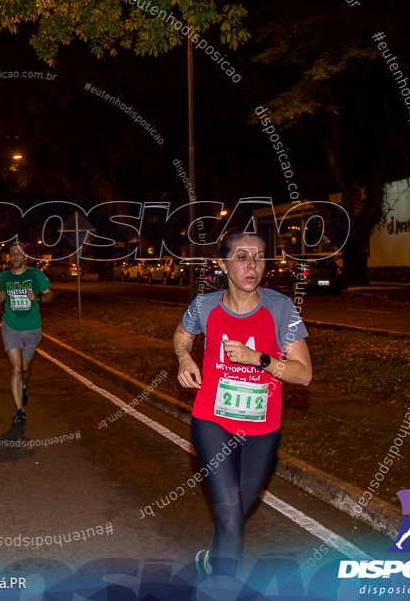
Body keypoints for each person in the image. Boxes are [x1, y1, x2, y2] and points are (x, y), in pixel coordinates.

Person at [172, 231, 312, 579]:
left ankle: (211, 562)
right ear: (223, 264)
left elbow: (304, 374)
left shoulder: (281, 309)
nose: (253, 265)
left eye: (259, 257)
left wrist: (259, 359)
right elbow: (182, 335)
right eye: (242, 257)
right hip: (212, 422)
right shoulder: (204, 306)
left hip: (262, 430)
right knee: (231, 512)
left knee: (232, 514)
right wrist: (184, 358)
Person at [0, 242, 53, 425]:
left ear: (25, 256)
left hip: (32, 329)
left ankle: (23, 386)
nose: (15, 256)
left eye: (19, 253)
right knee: (16, 369)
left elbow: (50, 295)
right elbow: (2, 293)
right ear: (9, 257)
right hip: (11, 327)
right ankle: (20, 410)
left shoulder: (36, 274)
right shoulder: (4, 276)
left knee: (25, 369)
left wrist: (38, 297)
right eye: (12, 253)